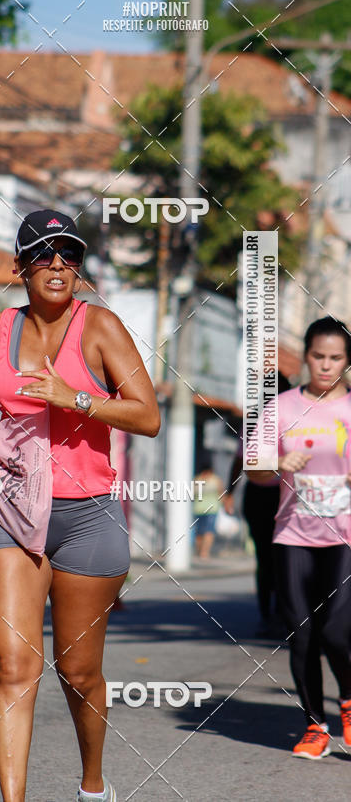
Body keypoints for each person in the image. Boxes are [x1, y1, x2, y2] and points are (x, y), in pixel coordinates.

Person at [0, 209, 160, 802]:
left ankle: (92, 782)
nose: (58, 264)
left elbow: (147, 416)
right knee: (12, 664)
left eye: (69, 254)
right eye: (43, 254)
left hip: (87, 515)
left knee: (78, 671)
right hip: (10, 511)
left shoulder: (101, 328)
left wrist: (79, 399)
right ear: (18, 267)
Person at [247, 317, 351, 759]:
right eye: (318, 356)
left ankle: (348, 702)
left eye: (335, 358)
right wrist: (279, 464)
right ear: (306, 356)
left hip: (344, 536)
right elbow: (254, 469)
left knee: (336, 631)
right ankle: (316, 725)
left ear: (346, 362)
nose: (325, 366)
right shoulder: (282, 407)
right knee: (303, 633)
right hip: (293, 534)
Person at [229, 372, 291, 636]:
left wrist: (229, 491)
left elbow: (237, 460)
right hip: (268, 496)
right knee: (275, 558)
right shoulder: (258, 420)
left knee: (270, 559)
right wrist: (229, 491)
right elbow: (240, 458)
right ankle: (274, 615)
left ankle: (275, 615)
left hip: (279, 496)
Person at [192, 455, 234, 559]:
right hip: (208, 509)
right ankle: (203, 553)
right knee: (206, 531)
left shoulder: (197, 480)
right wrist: (227, 505)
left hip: (201, 509)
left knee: (202, 531)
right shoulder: (215, 480)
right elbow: (221, 494)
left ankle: (202, 552)